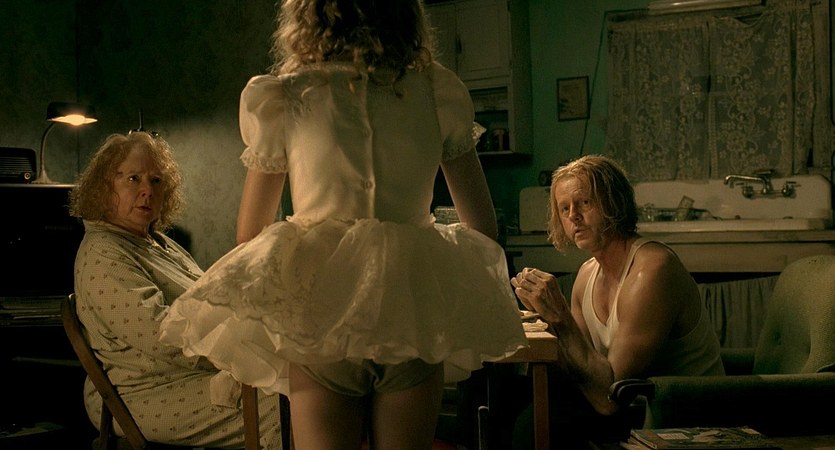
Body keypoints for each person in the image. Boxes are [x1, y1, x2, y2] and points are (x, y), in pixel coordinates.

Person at [158, 1, 527, 450]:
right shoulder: (437, 90)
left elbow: (249, 233)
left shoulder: (285, 96)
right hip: (409, 314)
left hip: (320, 320)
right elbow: (483, 227)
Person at [69, 131, 283, 449]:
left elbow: (205, 304)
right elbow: (162, 336)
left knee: (311, 385)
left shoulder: (155, 242)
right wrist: (245, 354)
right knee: (289, 405)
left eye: (156, 181)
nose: (147, 190)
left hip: (187, 375)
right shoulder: (104, 252)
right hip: (142, 392)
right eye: (133, 178)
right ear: (104, 186)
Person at [510, 155, 724, 448]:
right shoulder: (586, 274)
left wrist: (560, 315)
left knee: (536, 423)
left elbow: (610, 399)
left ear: (615, 203)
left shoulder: (652, 269)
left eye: (585, 202)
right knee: (514, 396)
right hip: (628, 405)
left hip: (679, 414)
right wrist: (545, 318)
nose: (573, 216)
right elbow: (579, 368)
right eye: (564, 208)